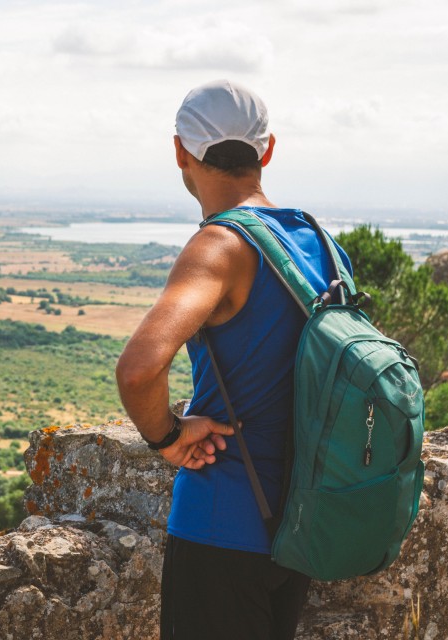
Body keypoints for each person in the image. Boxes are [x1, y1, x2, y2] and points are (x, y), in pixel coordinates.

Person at [115, 80, 353, 640]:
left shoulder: (220, 246)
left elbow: (139, 369)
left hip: (220, 522)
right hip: (300, 524)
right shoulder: (321, 243)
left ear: (180, 152)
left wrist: (167, 436)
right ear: (267, 151)